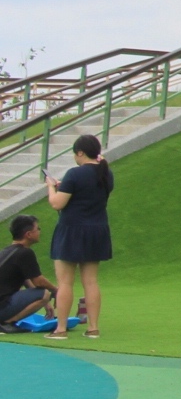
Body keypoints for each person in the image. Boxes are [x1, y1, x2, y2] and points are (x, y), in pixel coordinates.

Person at [43, 134, 113, 340]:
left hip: (72, 230)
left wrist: (50, 186)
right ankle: (93, 327)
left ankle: (61, 329)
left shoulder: (74, 174)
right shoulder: (106, 174)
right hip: (97, 230)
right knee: (91, 282)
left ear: (80, 152)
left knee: (65, 282)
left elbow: (57, 203)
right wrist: (64, 185)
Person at [0, 215, 56, 333]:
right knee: (45, 293)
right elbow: (39, 281)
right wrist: (57, 291)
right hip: (2, 307)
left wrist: (45, 303)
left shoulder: (7, 251)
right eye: (38, 229)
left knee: (42, 295)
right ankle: (7, 322)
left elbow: (27, 280)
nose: (40, 231)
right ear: (29, 234)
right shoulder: (25, 253)